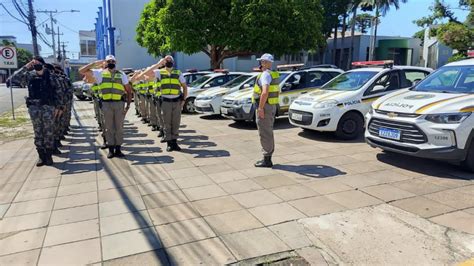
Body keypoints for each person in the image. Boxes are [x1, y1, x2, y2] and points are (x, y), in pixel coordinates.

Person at [79, 55, 132, 158]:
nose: (111, 63)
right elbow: (81, 71)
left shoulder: (121, 74)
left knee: (119, 127)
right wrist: (95, 63)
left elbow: (129, 91)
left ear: (115, 63)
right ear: (106, 63)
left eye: (113, 61)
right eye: (108, 61)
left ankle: (118, 149)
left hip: (119, 104)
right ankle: (111, 149)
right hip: (106, 104)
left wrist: (128, 106)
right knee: (108, 127)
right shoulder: (100, 73)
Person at [22, 56, 65, 166]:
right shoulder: (29, 75)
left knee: (48, 131)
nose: (35, 64)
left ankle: (49, 155)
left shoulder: (51, 76)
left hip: (48, 107)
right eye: (33, 62)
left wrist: (59, 107)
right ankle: (41, 156)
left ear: (42, 63)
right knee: (38, 132)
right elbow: (14, 79)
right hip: (34, 108)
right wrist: (26, 67)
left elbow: (59, 92)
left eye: (37, 62)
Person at [252, 53, 280, 168]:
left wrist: (260, 108)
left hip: (265, 107)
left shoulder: (265, 75)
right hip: (271, 106)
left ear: (266, 63)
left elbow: (265, 92)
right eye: (261, 61)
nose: (261, 63)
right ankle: (267, 157)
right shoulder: (274, 74)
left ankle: (267, 159)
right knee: (268, 132)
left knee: (265, 133)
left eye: (263, 61)